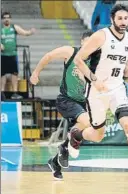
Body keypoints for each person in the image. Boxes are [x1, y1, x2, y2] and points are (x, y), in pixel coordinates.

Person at [72, 4, 128, 189]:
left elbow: (127, 70)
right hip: (96, 91)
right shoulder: (101, 35)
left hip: (117, 88)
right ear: (112, 19)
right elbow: (78, 59)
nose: (123, 22)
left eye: (126, 18)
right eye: (120, 18)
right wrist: (93, 79)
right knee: (98, 135)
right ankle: (77, 134)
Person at [30, 31, 103, 180]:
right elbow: (49, 56)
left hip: (84, 102)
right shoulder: (70, 52)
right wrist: (36, 73)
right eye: (87, 43)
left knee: (82, 133)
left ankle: (56, 161)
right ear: (82, 42)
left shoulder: (95, 61)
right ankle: (64, 147)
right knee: (86, 123)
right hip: (67, 99)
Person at [1, 12, 35, 99]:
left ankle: (15, 92)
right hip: (3, 55)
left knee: (14, 74)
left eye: (8, 17)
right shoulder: (1, 29)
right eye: (4, 18)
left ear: (10, 19)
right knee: (2, 74)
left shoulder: (14, 27)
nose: (6, 19)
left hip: (13, 54)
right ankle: (1, 93)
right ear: (2, 19)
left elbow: (24, 32)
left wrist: (30, 32)